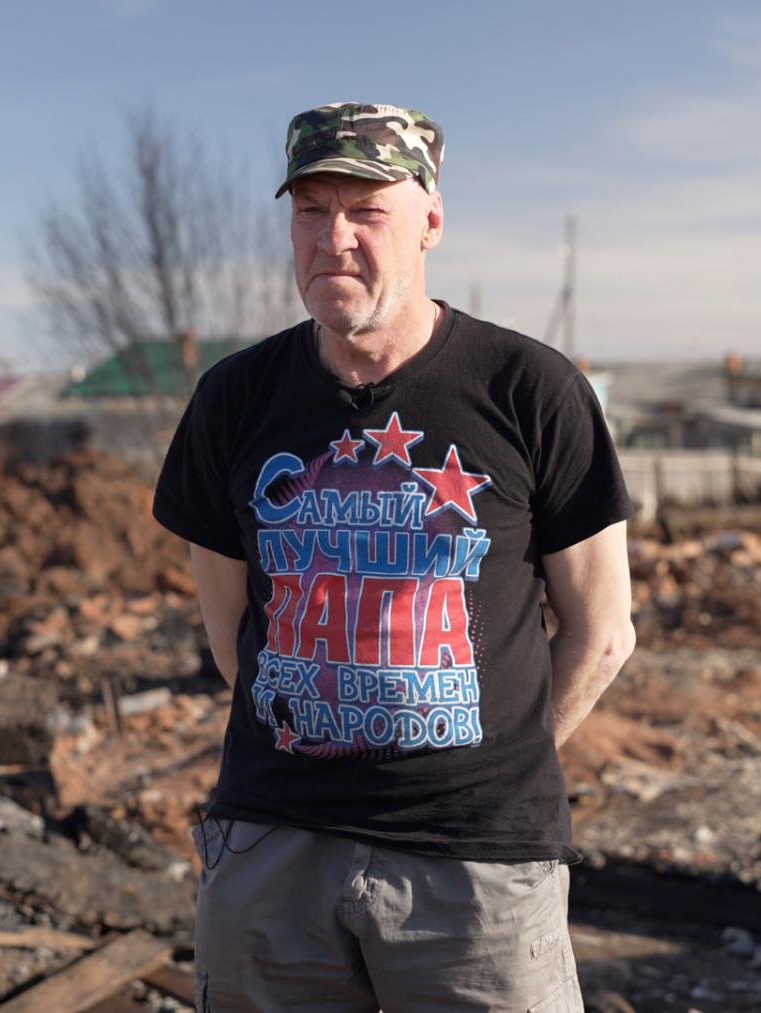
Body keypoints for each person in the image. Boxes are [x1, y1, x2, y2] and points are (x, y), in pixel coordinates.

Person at [153, 101, 636, 1013]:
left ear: (431, 222)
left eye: (367, 210)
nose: (333, 238)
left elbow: (604, 631)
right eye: (310, 211)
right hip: (274, 853)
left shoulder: (529, 389)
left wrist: (493, 764)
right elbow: (232, 633)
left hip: (475, 871)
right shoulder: (235, 398)